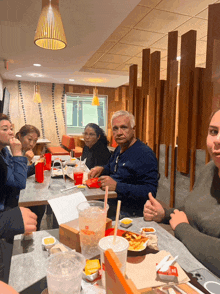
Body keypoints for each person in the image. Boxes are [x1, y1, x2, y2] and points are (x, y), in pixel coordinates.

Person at [143, 109, 220, 278]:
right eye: (213, 132)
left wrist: (182, 228)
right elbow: (190, 211)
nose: (218, 140)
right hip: (186, 265)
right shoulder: (209, 169)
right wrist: (164, 213)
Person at [89, 110, 158, 217]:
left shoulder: (145, 154)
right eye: (115, 128)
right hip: (111, 203)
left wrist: (117, 186)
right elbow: (113, 167)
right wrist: (102, 168)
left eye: (124, 127)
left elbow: (150, 192)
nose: (119, 132)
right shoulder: (119, 149)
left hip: (129, 213)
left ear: (133, 129)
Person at [16, 124, 45, 231]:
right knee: (39, 205)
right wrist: (26, 160)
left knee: (41, 203)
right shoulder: (13, 149)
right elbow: (18, 175)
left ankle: (36, 229)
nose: (32, 144)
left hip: (20, 188)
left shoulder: (22, 148)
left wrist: (35, 164)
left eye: (35, 141)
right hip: (11, 193)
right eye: (29, 139)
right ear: (19, 136)